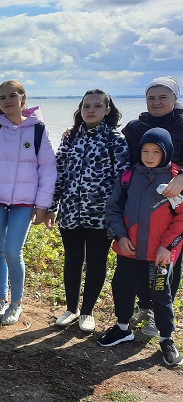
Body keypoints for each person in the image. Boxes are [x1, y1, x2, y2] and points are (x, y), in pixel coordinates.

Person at [0, 80, 57, 326]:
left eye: (12, 96)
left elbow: (48, 170)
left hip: (24, 202)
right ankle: (1, 299)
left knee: (12, 251)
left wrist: (42, 206)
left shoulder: (38, 129)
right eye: (2, 97)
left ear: (23, 98)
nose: (7, 101)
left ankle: (16, 304)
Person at [98, 128, 183, 367]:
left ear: (166, 153)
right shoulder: (128, 177)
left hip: (160, 255)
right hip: (130, 250)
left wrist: (167, 247)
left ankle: (166, 338)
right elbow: (113, 209)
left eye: (156, 151)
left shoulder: (174, 181)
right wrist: (120, 237)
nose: (149, 155)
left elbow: (181, 219)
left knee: (161, 296)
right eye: (145, 151)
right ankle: (123, 327)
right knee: (122, 287)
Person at [49, 90, 129, 332]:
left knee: (96, 262)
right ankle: (71, 309)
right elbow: (59, 173)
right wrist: (52, 205)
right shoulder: (70, 136)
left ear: (107, 110)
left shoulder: (116, 138)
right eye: (86, 106)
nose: (90, 110)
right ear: (80, 109)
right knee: (72, 260)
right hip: (71, 210)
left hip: (101, 213)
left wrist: (119, 214)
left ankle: (87, 312)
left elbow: (123, 178)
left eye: (97, 106)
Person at [122, 77, 183, 336]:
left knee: (167, 259)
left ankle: (161, 313)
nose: (156, 102)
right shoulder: (136, 126)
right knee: (138, 255)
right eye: (151, 98)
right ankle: (144, 307)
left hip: (173, 202)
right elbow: (119, 152)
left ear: (175, 99)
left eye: (163, 97)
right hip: (140, 200)